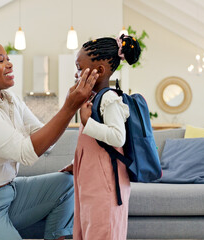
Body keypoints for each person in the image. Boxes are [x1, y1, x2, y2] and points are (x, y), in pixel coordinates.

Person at [0, 37, 98, 240]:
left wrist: (75, 111)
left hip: (8, 196)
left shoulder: (10, 99)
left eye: (8, 59)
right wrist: (69, 106)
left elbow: (47, 142)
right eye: (0, 60)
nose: (9, 64)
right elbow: (26, 153)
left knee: (68, 183)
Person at [62, 34, 141, 240]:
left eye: (79, 67)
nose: (76, 73)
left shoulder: (109, 99)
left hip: (106, 181)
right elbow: (93, 145)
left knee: (102, 228)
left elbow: (117, 138)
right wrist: (75, 163)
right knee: (89, 224)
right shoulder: (93, 98)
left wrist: (88, 122)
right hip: (91, 177)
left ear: (99, 71)